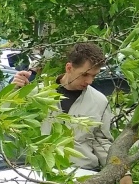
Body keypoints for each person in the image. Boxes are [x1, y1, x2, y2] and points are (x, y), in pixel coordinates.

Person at [12, 41, 113, 171]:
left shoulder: (100, 101)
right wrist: (14, 90)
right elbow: (8, 121)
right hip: (42, 173)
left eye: (94, 76)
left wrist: (121, 171)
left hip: (83, 174)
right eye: (85, 75)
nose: (89, 81)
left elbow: (102, 142)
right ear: (69, 68)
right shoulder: (38, 93)